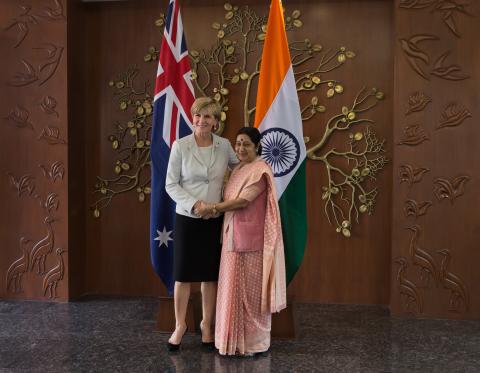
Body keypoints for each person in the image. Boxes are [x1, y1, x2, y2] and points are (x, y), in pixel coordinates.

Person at [197, 127, 287, 356]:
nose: (240, 148)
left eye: (246, 144)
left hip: (250, 242)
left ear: (257, 146)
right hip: (230, 238)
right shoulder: (238, 169)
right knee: (231, 290)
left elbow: (242, 202)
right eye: (237, 144)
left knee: (249, 294)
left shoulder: (260, 170)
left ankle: (251, 344)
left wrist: (212, 207)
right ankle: (230, 342)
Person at [165, 97, 238, 351]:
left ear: (216, 121)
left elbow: (240, 170)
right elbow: (171, 184)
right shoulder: (180, 146)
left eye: (207, 116)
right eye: (197, 115)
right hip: (188, 217)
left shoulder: (225, 145)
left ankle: (208, 325)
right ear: (192, 118)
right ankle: (180, 325)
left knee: (209, 275)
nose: (201, 120)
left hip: (214, 219)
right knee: (183, 275)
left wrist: (225, 201)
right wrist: (196, 205)